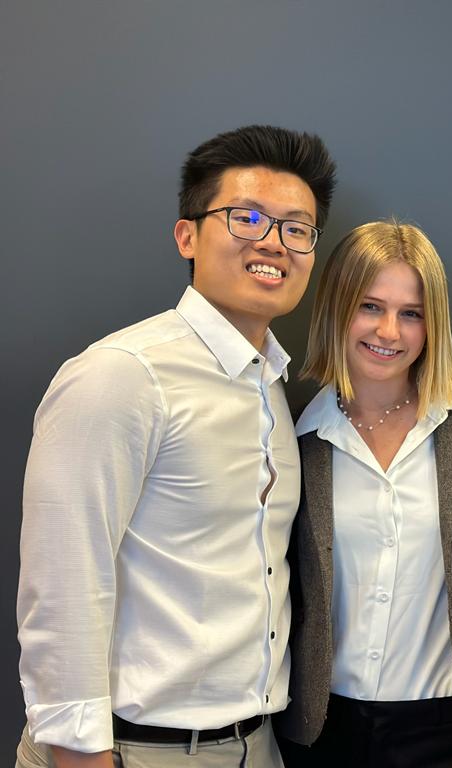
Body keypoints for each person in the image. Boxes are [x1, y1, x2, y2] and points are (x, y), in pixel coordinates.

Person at [16, 125, 336, 768]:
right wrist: (81, 757)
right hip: (134, 749)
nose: (272, 242)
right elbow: (63, 583)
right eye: (246, 217)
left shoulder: (270, 385)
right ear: (187, 235)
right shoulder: (124, 374)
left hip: (254, 745)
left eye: (296, 228)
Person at [274, 220, 452, 767]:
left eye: (411, 314)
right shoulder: (297, 435)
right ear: (336, 309)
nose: (389, 332)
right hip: (323, 728)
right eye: (370, 306)